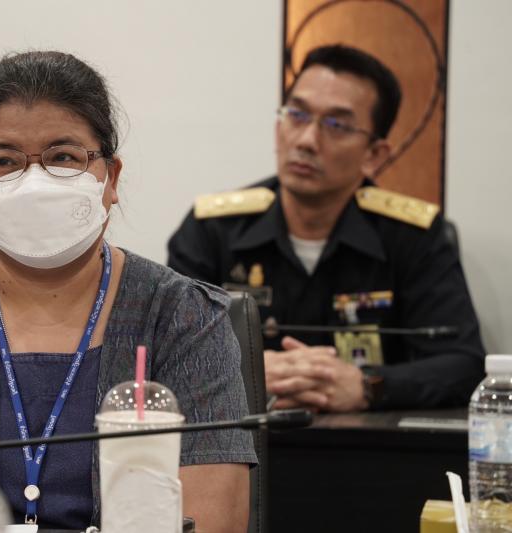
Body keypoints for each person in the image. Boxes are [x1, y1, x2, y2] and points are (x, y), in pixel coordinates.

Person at [0, 51, 255, 531]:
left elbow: (211, 523)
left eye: (63, 157)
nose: (35, 183)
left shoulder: (184, 319)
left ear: (111, 179)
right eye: (4, 161)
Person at [168, 44, 485, 413]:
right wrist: (244, 370)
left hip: (369, 443)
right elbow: (166, 352)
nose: (306, 141)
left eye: (337, 125)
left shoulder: (413, 236)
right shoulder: (213, 230)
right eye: (297, 115)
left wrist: (368, 386)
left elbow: (463, 364)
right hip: (245, 442)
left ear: (374, 155)